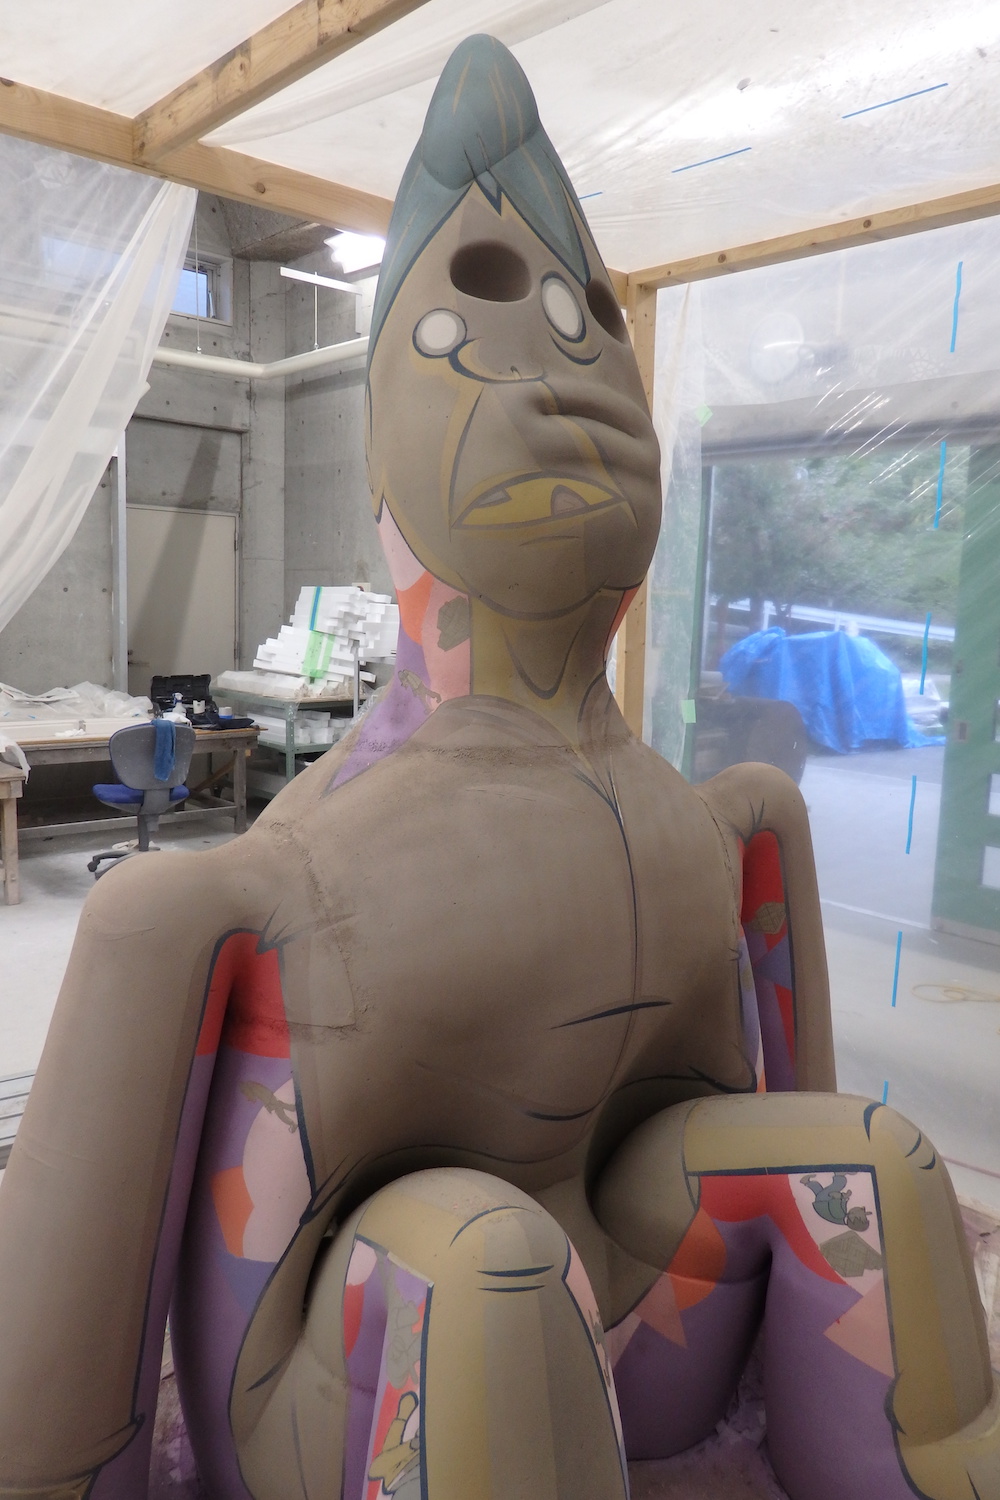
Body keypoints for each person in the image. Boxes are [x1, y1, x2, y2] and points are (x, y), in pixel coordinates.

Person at [0, 35, 995, 1500]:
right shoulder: (255, 891)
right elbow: (67, 1311)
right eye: (473, 326)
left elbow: (781, 1081)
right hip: (362, 1376)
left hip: (651, 1318)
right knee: (488, 1272)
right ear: (388, 463)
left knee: (878, 1168)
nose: (568, 379)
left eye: (589, 329)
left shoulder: (728, 827)